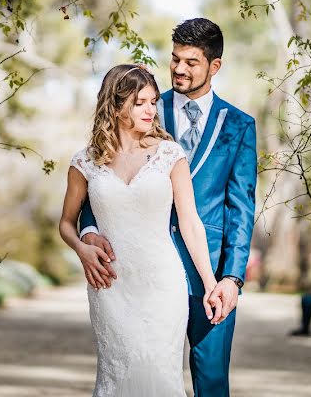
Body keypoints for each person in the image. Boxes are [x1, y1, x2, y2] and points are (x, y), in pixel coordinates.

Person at [78, 18, 258, 397]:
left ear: (215, 66)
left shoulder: (239, 126)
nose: (178, 69)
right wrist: (89, 230)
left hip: (208, 273)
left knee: (211, 381)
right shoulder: (141, 107)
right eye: (175, 59)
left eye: (191, 62)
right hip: (140, 276)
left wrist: (231, 279)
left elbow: (240, 206)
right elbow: (103, 175)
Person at [58, 63, 218, 396]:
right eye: (139, 102)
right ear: (116, 107)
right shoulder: (85, 161)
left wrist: (210, 282)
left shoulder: (170, 154)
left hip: (163, 286)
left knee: (159, 375)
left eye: (153, 101)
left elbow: (190, 223)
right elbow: (65, 223)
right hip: (111, 286)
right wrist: (81, 248)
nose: (150, 110)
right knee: (117, 377)